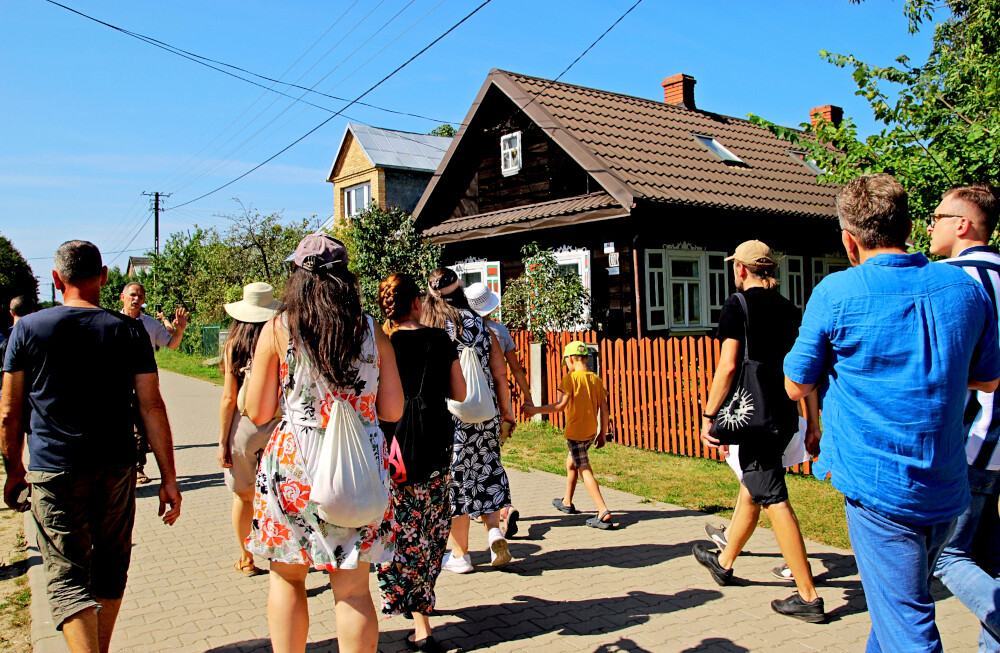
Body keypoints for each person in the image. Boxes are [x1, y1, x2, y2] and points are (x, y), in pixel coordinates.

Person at [784, 174, 1000, 651]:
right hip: (947, 483)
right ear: (908, 226)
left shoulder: (837, 291)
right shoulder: (963, 288)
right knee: (892, 613)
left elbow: (796, 384)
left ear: (849, 240)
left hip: (881, 488)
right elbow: (987, 379)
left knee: (908, 627)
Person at [0, 240, 181, 653]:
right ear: (103, 277)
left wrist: (14, 470)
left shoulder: (27, 329)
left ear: (56, 278)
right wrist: (169, 477)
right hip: (116, 469)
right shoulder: (128, 331)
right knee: (110, 570)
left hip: (53, 469)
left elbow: (10, 410)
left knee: (67, 579)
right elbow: (151, 405)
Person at [242, 233, 403, 653]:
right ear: (345, 277)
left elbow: (258, 411)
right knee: (353, 588)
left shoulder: (279, 329)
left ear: (298, 276)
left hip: (294, 465)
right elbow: (393, 410)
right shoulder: (371, 330)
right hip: (358, 467)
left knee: (287, 578)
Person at [691, 240, 824, 622]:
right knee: (755, 487)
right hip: (782, 414)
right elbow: (805, 371)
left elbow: (729, 366)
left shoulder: (738, 305)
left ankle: (808, 597)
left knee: (773, 497)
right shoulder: (790, 309)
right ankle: (724, 562)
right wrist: (812, 423)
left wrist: (709, 414)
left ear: (740, 269)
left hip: (753, 417)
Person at [927, 182, 1000, 651]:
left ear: (962, 224)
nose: (929, 226)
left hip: (973, 438)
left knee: (948, 557)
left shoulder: (947, 280)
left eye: (936, 217)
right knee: (992, 559)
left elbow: (940, 364)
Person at [376, 273, 466, 653]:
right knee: (431, 529)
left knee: (402, 531)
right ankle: (422, 600)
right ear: (417, 303)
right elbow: (460, 392)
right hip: (435, 443)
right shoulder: (440, 339)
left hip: (393, 447)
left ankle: (421, 624)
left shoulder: (383, 345)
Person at [421, 268, 516, 573]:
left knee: (457, 480)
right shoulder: (481, 324)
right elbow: (499, 373)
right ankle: (494, 532)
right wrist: (505, 411)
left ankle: (461, 555)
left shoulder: (431, 326)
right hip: (485, 412)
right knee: (487, 470)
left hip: (449, 415)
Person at [217, 282, 284, 577]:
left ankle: (246, 559)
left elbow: (228, 397)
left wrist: (222, 441)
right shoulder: (283, 338)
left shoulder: (235, 343)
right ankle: (282, 557)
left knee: (243, 496)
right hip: (279, 424)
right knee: (279, 495)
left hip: (243, 426)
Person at [523, 340, 615, 529]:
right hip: (590, 432)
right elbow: (604, 409)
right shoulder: (596, 380)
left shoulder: (570, 379)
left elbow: (560, 406)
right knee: (571, 463)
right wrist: (602, 433)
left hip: (576, 433)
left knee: (584, 468)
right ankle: (567, 502)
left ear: (571, 359)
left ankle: (602, 510)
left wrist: (534, 410)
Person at [464, 281, 531, 538]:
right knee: (492, 458)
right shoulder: (499, 331)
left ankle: (494, 509)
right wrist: (528, 398)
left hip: (468, 403)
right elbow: (514, 369)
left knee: (472, 460)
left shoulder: (462, 329)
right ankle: (502, 508)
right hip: (496, 404)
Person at [120, 282, 189, 484]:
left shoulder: (150, 324)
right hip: (120, 380)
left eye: (140, 296)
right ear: (122, 297)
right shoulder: (111, 321)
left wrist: (179, 331)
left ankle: (138, 467)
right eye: (133, 295)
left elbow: (171, 344)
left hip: (146, 380)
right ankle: (121, 469)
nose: (136, 299)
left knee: (142, 424)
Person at [0, 296, 38, 391]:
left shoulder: (2, 337)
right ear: (32, 311)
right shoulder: (38, 334)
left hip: (7, 387)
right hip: (34, 388)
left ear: (11, 313)